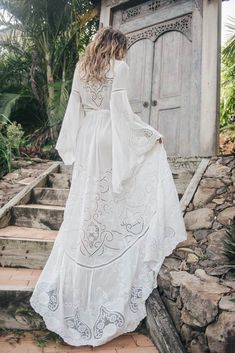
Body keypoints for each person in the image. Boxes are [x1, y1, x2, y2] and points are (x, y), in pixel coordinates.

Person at [30, 26, 187, 347]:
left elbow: (74, 111)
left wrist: (72, 144)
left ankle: (88, 257)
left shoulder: (81, 67)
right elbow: (122, 113)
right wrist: (147, 134)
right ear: (118, 47)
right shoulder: (119, 68)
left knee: (89, 198)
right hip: (108, 136)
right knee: (112, 192)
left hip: (88, 134)